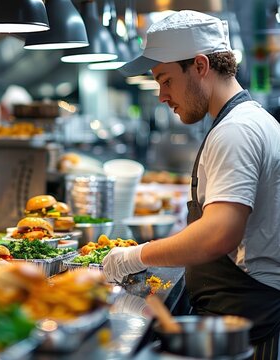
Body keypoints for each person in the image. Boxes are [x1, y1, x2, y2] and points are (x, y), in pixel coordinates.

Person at [102, 10, 280, 358]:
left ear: (200, 66)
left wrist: (133, 256)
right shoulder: (248, 121)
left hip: (252, 324)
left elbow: (219, 233)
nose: (161, 95)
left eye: (165, 80)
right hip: (248, 311)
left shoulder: (236, 131)